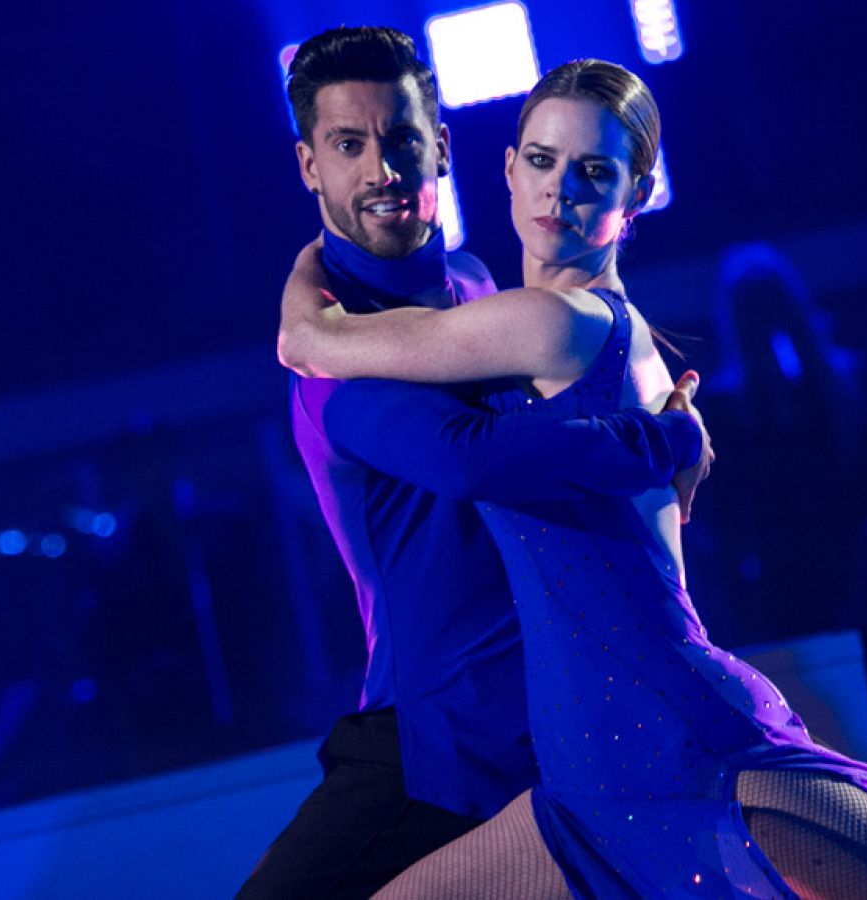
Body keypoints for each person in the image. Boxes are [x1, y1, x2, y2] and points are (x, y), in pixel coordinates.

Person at [280, 58, 867, 899]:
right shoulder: (502, 309)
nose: (559, 194)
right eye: (542, 162)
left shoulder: (552, 321)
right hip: (581, 777)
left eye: (593, 172)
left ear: (638, 191)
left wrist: (303, 312)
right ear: (507, 171)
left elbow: (339, 357)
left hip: (667, 731)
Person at [240, 29, 712, 899]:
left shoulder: (477, 287)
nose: (382, 168)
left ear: (443, 147)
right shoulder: (330, 358)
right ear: (310, 167)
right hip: (437, 738)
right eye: (348, 146)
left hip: (566, 708)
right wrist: (663, 441)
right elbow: (472, 462)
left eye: (402, 138)